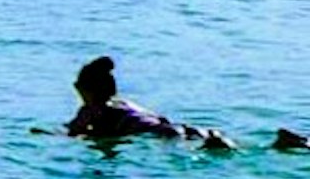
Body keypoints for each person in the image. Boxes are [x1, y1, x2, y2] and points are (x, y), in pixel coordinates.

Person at [65, 55, 233, 151]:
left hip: (156, 134)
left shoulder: (92, 108)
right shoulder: (124, 103)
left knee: (185, 150)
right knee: (200, 142)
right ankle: (214, 138)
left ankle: (211, 143)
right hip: (174, 127)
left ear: (84, 89)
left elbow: (72, 133)